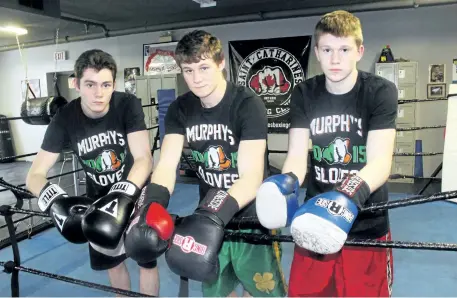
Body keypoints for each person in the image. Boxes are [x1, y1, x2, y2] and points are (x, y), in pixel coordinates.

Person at [129, 30, 287, 297]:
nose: (196, 78)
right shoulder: (180, 109)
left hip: (252, 219)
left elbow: (251, 176)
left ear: (221, 63)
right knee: (216, 293)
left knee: (259, 292)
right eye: (188, 70)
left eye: (203, 67)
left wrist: (214, 216)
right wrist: (150, 206)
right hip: (210, 217)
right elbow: (167, 164)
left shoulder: (247, 104)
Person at [256, 10, 397, 297]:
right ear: (317, 52)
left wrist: (345, 196)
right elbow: (296, 153)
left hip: (364, 223)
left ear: (359, 51)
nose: (335, 59)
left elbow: (380, 161)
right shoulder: (305, 93)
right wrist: (286, 184)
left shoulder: (379, 92)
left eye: (344, 49)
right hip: (314, 222)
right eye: (328, 50)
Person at [25, 49, 159, 296]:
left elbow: (143, 158)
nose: (99, 93)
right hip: (96, 199)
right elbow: (34, 175)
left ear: (114, 84)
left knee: (145, 258)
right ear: (76, 84)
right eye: (90, 84)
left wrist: (123, 194)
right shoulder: (65, 117)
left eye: (106, 84)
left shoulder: (127, 104)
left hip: (136, 190)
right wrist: (55, 202)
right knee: (114, 263)